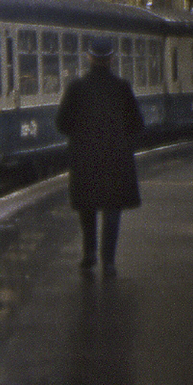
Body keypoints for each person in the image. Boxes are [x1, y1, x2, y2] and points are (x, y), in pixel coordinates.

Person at [55, 36, 144, 275]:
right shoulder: (122, 88)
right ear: (112, 59)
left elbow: (61, 123)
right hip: (116, 160)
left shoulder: (76, 88)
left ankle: (89, 253)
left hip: (85, 160)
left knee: (88, 208)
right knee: (112, 210)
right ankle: (109, 261)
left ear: (89, 57)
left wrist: (80, 136)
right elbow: (137, 124)